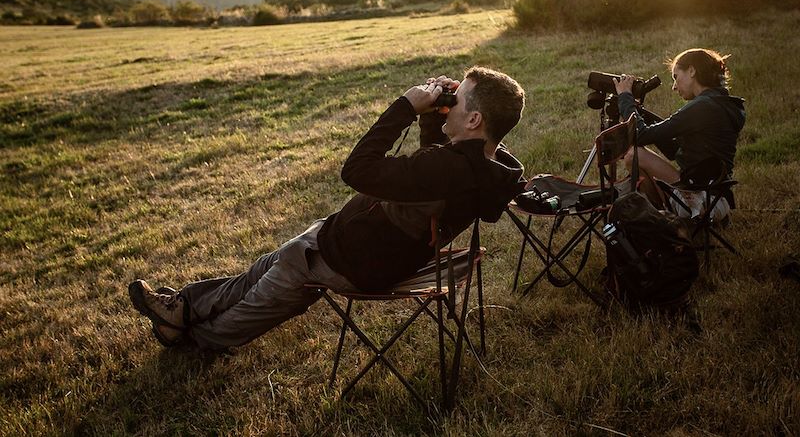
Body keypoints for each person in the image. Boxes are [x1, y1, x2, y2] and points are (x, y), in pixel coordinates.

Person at [129, 66, 526, 352]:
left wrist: (405, 106)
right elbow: (427, 178)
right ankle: (182, 306)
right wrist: (433, 121)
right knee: (260, 272)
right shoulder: (482, 165)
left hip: (347, 260)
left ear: (473, 119)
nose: (449, 103)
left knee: (260, 295)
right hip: (350, 242)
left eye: (456, 101)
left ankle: (190, 335)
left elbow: (357, 170)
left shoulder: (451, 167)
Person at [614, 48, 745, 218]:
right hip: (718, 199)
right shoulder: (722, 105)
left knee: (634, 154)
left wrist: (625, 98)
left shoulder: (703, 106)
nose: (674, 87)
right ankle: (667, 218)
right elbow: (675, 151)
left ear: (692, 71)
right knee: (637, 153)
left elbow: (641, 135)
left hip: (700, 200)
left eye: (676, 77)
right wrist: (644, 116)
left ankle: (661, 220)